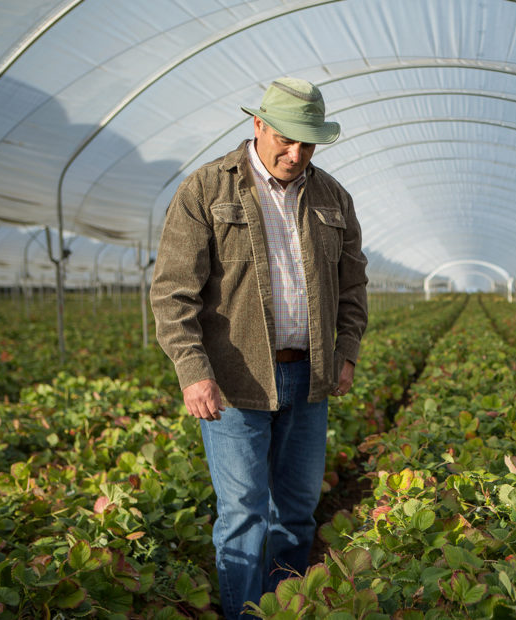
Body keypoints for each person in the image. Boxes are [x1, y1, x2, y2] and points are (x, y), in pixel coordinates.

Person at [150, 77, 368, 618]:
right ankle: (244, 612)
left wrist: (347, 349)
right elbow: (173, 291)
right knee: (244, 514)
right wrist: (192, 369)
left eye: (308, 143)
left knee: (295, 512)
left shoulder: (332, 196)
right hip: (234, 381)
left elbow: (353, 283)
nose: (296, 154)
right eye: (286, 140)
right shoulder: (206, 190)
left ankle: (284, 607)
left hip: (309, 377)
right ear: (259, 125)